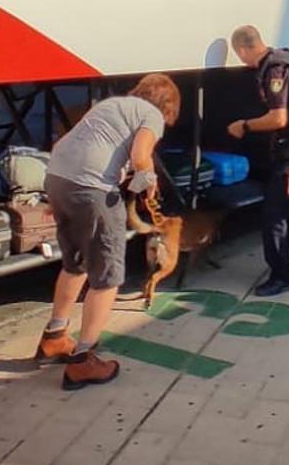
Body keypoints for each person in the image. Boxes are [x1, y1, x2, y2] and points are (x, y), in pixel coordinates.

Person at [36, 73, 181, 390]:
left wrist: (60, 197)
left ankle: (55, 337)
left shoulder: (110, 105)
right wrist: (148, 181)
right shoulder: (151, 115)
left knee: (75, 265)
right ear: (168, 106)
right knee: (107, 277)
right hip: (94, 189)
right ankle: (83, 361)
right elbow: (141, 156)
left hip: (58, 178)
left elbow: (63, 143)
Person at [227, 25, 289, 297]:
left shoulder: (274, 70)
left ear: (244, 49)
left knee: (275, 215)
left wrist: (244, 126)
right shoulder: (284, 58)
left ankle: (282, 276)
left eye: (239, 55)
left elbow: (279, 118)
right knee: (286, 208)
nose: (241, 61)